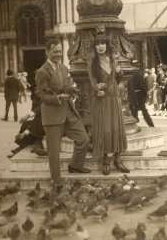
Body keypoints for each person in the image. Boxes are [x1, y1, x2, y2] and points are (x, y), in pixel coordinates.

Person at [35, 39, 91, 185]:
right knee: (54, 152)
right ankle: (56, 180)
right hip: (52, 115)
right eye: (55, 52)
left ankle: (75, 166)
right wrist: (57, 98)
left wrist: (72, 90)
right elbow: (41, 94)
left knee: (83, 139)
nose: (58, 54)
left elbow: (66, 86)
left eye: (59, 51)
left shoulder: (64, 68)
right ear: (47, 52)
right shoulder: (42, 72)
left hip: (68, 112)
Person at [88, 34, 130, 176]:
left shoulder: (113, 59)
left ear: (107, 46)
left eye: (103, 43)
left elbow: (120, 78)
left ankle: (118, 159)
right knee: (105, 129)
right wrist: (96, 88)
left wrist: (119, 73)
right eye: (97, 44)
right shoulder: (93, 62)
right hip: (102, 98)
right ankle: (106, 160)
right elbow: (92, 80)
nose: (100, 46)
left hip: (114, 98)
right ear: (95, 47)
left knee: (117, 128)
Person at [8, 83, 47, 158]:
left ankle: (36, 144)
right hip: (38, 119)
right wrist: (27, 117)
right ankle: (25, 146)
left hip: (43, 120)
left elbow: (39, 109)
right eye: (35, 90)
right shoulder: (36, 97)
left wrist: (27, 116)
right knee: (26, 124)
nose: (36, 91)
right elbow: (34, 110)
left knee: (34, 125)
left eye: (37, 90)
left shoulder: (44, 98)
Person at [127, 60, 155, 127]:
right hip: (140, 95)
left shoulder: (130, 74)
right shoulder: (142, 73)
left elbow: (129, 85)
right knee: (144, 110)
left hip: (133, 94)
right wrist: (146, 93)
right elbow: (143, 85)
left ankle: (135, 122)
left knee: (134, 109)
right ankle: (150, 124)